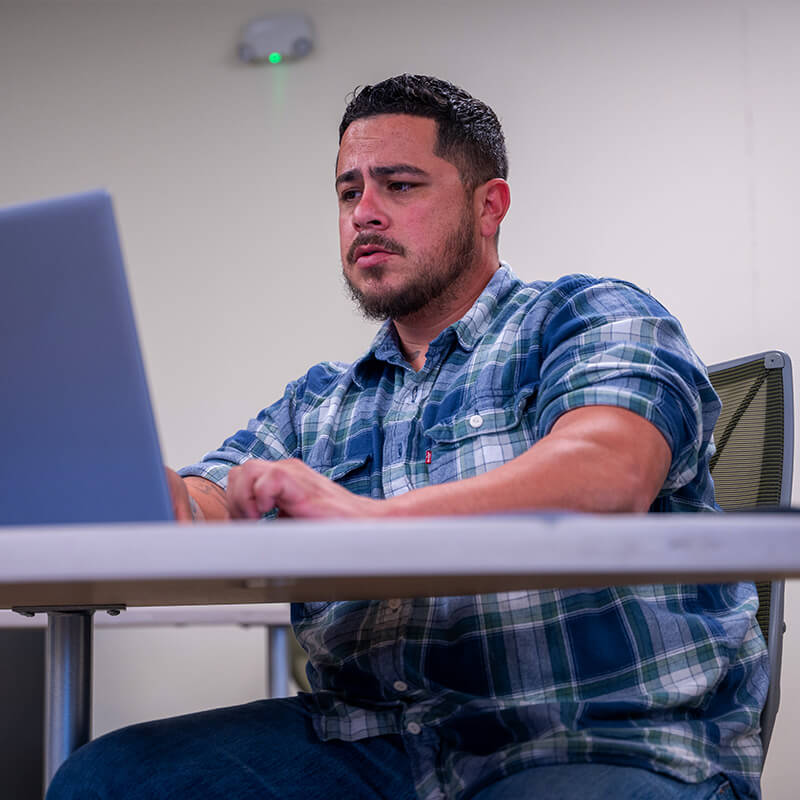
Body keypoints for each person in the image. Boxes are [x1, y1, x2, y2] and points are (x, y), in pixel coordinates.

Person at [48, 75, 766, 800]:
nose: (364, 213)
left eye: (398, 185)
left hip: (592, 738)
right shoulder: (318, 401)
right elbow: (207, 500)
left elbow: (608, 471)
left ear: (488, 206)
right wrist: (144, 482)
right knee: (105, 781)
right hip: (373, 742)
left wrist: (370, 520)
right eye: (348, 192)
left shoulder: (588, 315)